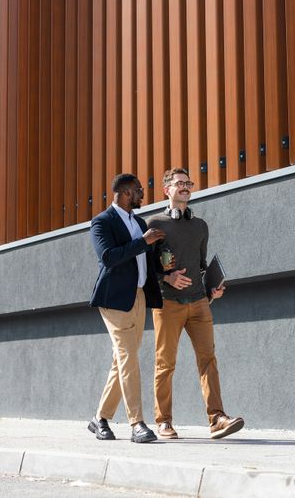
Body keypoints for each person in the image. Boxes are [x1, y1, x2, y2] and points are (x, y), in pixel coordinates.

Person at [146, 167, 244, 440]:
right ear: (167, 190)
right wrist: (168, 277)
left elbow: (201, 265)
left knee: (208, 360)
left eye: (188, 183)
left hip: (200, 303)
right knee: (165, 364)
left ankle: (217, 419)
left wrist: (212, 287)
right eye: (179, 183)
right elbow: (144, 269)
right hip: (167, 304)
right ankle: (163, 421)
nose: (186, 187)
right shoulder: (154, 224)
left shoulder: (200, 226)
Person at [88, 173, 167, 443]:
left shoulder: (139, 222)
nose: (142, 194)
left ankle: (99, 418)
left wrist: (165, 269)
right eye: (138, 190)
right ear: (124, 193)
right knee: (128, 358)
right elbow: (108, 257)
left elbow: (145, 262)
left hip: (139, 297)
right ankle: (137, 424)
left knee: (123, 359)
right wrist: (143, 242)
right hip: (115, 299)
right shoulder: (102, 222)